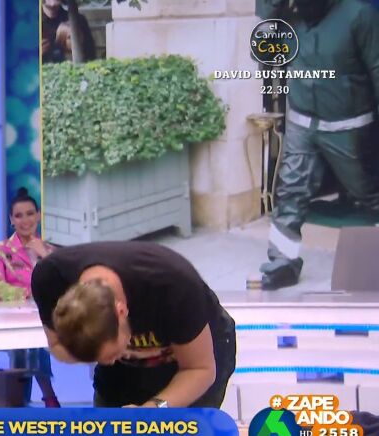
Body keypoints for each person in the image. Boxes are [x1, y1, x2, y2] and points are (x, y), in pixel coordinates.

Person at [258, 0, 379, 290]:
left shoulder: (359, 15)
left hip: (348, 127)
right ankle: (283, 262)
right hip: (302, 123)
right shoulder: (288, 17)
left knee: (370, 193)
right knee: (291, 191)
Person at [30, 241, 236, 408]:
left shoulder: (172, 286)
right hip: (127, 364)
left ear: (121, 312)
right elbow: (57, 346)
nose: (107, 362)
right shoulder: (51, 279)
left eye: (111, 355)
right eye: (99, 358)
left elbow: (200, 369)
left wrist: (154, 408)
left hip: (198, 353)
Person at [0, 187, 61, 408]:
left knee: (38, 336)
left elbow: (63, 284)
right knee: (28, 341)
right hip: (12, 318)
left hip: (44, 316)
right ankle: (48, 396)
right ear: (11, 219)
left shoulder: (50, 250)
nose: (25, 220)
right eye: (19, 215)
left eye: (30, 214)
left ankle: (20, 400)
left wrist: (44, 256)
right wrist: (28, 294)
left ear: (38, 216)